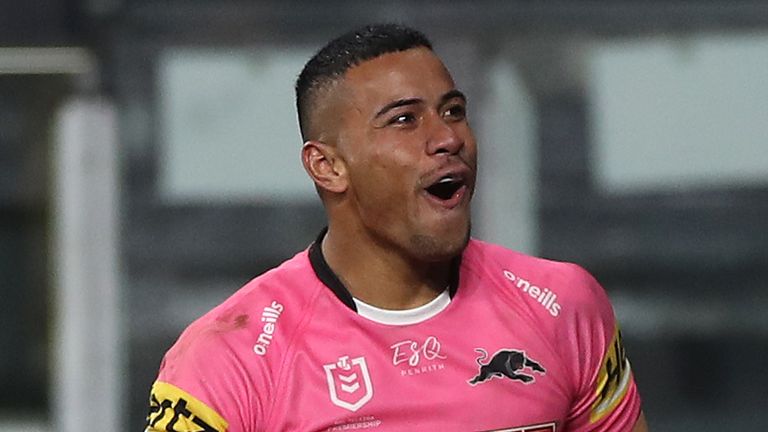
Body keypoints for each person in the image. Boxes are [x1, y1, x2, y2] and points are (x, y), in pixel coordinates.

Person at [145, 23, 648, 432]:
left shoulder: (563, 307)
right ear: (328, 166)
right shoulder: (227, 360)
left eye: (453, 112)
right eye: (405, 120)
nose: (447, 137)